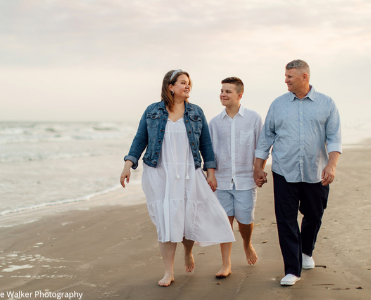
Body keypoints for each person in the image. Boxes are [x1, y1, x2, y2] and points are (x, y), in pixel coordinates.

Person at [120, 69, 235, 287]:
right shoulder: (152, 111)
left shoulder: (196, 112)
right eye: (183, 82)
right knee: (166, 221)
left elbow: (206, 145)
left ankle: (189, 251)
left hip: (189, 172)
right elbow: (140, 139)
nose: (187, 86)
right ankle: (168, 272)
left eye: (189, 83)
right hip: (160, 172)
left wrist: (210, 172)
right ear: (170, 87)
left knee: (192, 215)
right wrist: (128, 164)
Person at [253, 59, 342, 286]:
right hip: (284, 171)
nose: (286, 80)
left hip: (316, 171)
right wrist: (258, 167)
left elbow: (333, 138)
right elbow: (266, 138)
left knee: (314, 215)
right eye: (285, 76)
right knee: (286, 220)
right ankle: (292, 269)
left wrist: (331, 165)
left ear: (305, 77)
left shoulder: (327, 103)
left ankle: (306, 251)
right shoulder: (278, 104)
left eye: (290, 76)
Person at [209, 77, 264, 278]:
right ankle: (226, 264)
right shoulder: (214, 123)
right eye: (222, 90)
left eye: (228, 91)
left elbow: (261, 147)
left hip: (245, 179)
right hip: (221, 180)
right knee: (225, 222)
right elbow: (209, 152)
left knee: (245, 219)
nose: (223, 94)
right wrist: (211, 175)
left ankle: (247, 243)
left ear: (240, 95)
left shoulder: (254, 118)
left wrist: (259, 170)